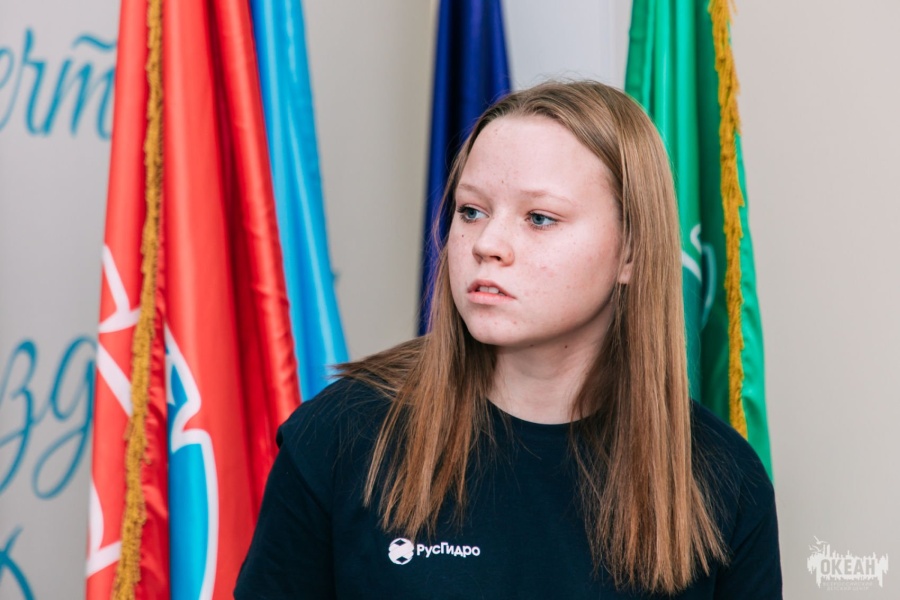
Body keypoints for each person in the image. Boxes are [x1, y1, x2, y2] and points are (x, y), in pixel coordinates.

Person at [234, 80, 781, 599]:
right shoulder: (340, 436)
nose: (487, 243)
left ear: (631, 253)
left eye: (539, 218)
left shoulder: (721, 479)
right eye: (471, 211)